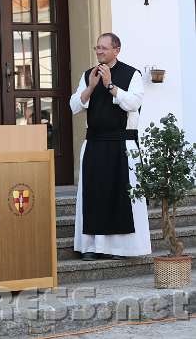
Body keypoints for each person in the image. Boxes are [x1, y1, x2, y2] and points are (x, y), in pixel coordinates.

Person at [70, 32, 151, 261]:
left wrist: (110, 86)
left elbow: (134, 102)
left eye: (104, 48)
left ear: (117, 50)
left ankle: (121, 249)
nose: (99, 51)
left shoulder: (131, 74)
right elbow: (74, 105)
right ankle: (92, 247)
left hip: (122, 144)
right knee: (93, 195)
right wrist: (92, 86)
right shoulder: (89, 75)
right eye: (97, 48)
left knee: (121, 196)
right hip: (95, 143)